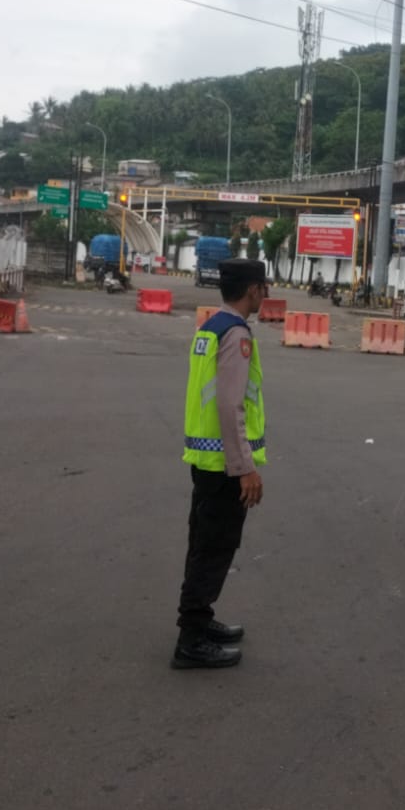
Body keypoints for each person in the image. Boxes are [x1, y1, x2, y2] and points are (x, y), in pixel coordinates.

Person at [173, 258, 269, 670]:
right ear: (252, 290)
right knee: (214, 550)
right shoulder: (236, 335)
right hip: (224, 466)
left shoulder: (210, 327)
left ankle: (200, 620)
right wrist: (245, 468)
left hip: (206, 459)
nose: (265, 295)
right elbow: (231, 406)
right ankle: (191, 639)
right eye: (263, 288)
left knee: (204, 545)